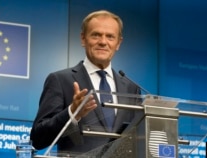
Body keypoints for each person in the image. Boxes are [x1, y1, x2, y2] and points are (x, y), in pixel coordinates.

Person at [30, 10, 141, 155]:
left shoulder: (131, 88)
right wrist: (72, 113)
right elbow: (38, 139)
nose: (103, 41)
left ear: (118, 43)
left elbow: (138, 138)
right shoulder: (60, 80)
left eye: (110, 37)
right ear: (83, 39)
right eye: (96, 35)